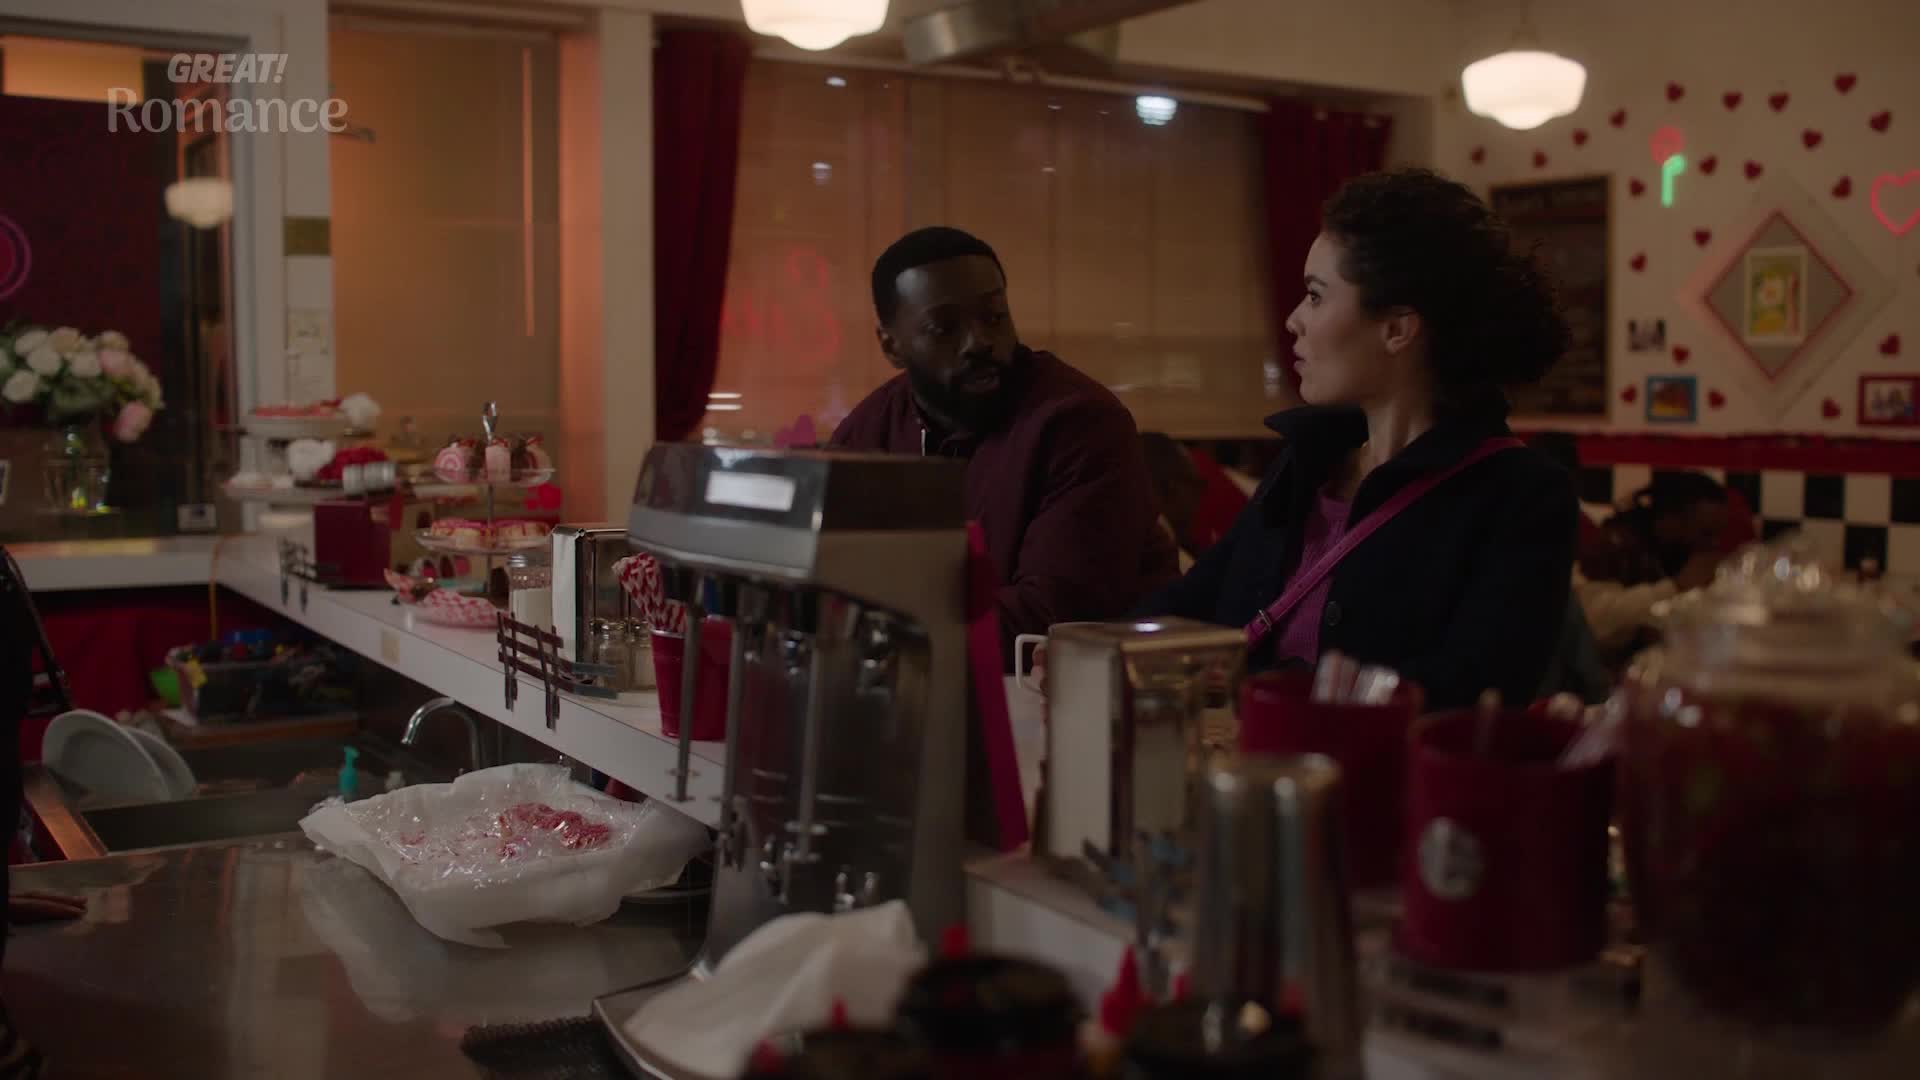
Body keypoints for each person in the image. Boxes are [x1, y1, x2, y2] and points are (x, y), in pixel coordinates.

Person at [1134, 168, 1578, 711]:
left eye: (1315, 297)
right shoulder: (1307, 461)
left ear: (1397, 329)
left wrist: (1275, 696)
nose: (1293, 320)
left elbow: (1471, 690)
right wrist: (1091, 651)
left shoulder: (1522, 496)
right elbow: (1196, 601)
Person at [830, 227, 1179, 664]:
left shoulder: (1078, 423)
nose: (979, 341)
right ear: (891, 346)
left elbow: (1051, 618)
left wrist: (872, 639)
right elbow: (828, 585)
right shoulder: (867, 433)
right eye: (944, 328)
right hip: (924, 683)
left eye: (994, 316)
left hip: (1087, 688)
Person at [1577, 471, 1729, 663]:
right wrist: (1675, 587)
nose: (1713, 544)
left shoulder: (1679, 555)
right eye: (1706, 533)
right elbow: (1594, 622)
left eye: (1718, 534)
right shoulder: (1614, 547)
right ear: (1669, 519)